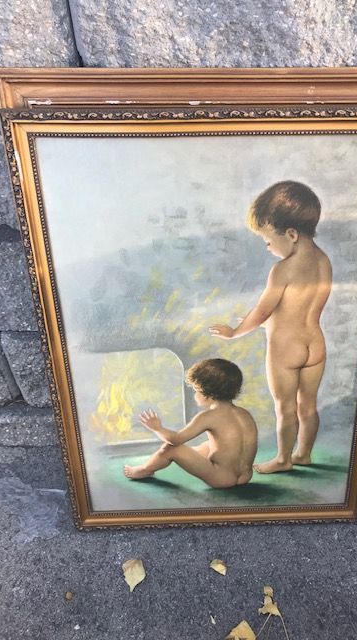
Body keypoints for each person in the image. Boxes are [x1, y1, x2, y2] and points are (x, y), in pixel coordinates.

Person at [209, 181, 332, 474]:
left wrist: (235, 332)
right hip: (314, 344)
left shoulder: (282, 270)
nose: (267, 247)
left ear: (291, 234)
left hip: (285, 349)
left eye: (267, 240)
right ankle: (304, 454)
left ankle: (283, 459)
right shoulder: (324, 261)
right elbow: (299, 308)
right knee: (308, 407)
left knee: (285, 408)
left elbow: (264, 311)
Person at [123, 358, 258, 488]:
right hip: (245, 476)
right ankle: (188, 455)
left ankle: (144, 470)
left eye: (195, 391)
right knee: (209, 444)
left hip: (221, 479)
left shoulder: (208, 416)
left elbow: (176, 439)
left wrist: (157, 428)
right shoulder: (244, 414)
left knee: (171, 448)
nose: (194, 395)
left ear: (207, 392)